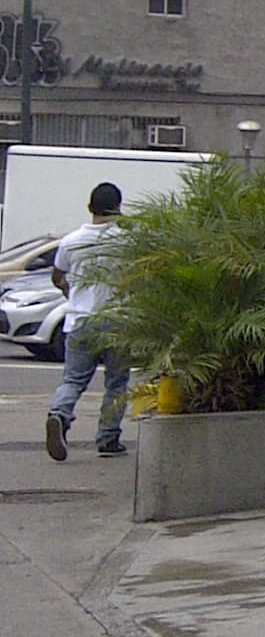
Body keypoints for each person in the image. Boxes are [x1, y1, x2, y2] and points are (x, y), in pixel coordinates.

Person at [43, 182, 131, 461]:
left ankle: (59, 413)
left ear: (89, 207)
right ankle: (108, 439)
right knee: (116, 383)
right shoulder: (126, 240)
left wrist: (71, 292)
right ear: (118, 208)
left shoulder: (71, 241)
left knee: (73, 380)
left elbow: (58, 276)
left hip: (80, 321)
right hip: (117, 320)